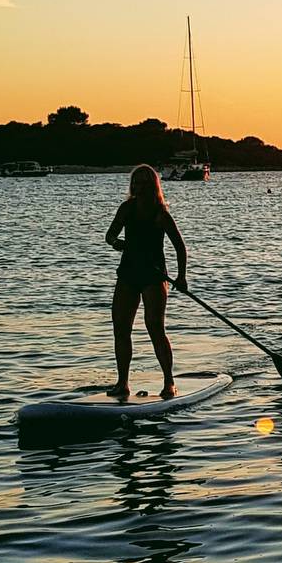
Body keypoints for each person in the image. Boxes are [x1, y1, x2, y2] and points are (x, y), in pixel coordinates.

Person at [104, 165, 187, 400]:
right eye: (136, 182)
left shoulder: (161, 214)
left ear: (152, 186)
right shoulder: (127, 209)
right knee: (121, 328)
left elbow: (180, 247)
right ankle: (122, 383)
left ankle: (169, 382)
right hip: (128, 274)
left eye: (143, 183)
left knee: (155, 327)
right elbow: (109, 235)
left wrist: (181, 277)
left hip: (154, 276)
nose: (138, 187)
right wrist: (116, 242)